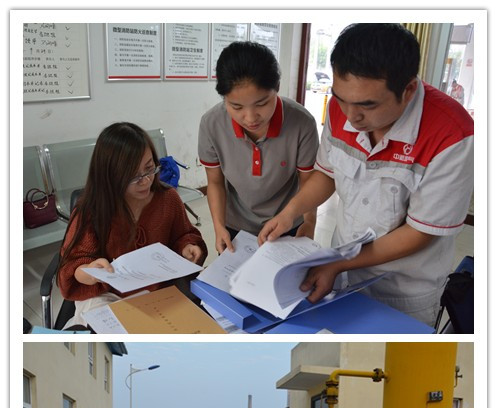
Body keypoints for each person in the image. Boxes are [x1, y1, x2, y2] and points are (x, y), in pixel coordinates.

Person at [258, 24, 474, 327]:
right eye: (340, 98)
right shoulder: (341, 108)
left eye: (367, 105)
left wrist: (339, 262)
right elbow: (327, 174)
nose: (351, 116)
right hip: (341, 268)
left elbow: (420, 232)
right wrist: (290, 212)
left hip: (403, 287)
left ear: (408, 90)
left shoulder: (451, 134)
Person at [57, 122, 208, 326]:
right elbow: (73, 267)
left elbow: (184, 235)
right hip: (108, 296)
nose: (145, 181)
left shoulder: (167, 198)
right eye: (133, 176)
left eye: (149, 168)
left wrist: (187, 247)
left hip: (159, 292)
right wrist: (91, 271)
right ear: (110, 175)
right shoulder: (93, 211)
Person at [198, 40, 319, 253]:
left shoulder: (302, 123)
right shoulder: (212, 124)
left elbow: (308, 182)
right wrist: (218, 227)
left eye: (262, 103)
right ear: (224, 98)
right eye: (236, 107)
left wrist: (309, 222)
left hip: (287, 222)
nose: (250, 117)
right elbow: (215, 182)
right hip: (236, 226)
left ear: (277, 88)